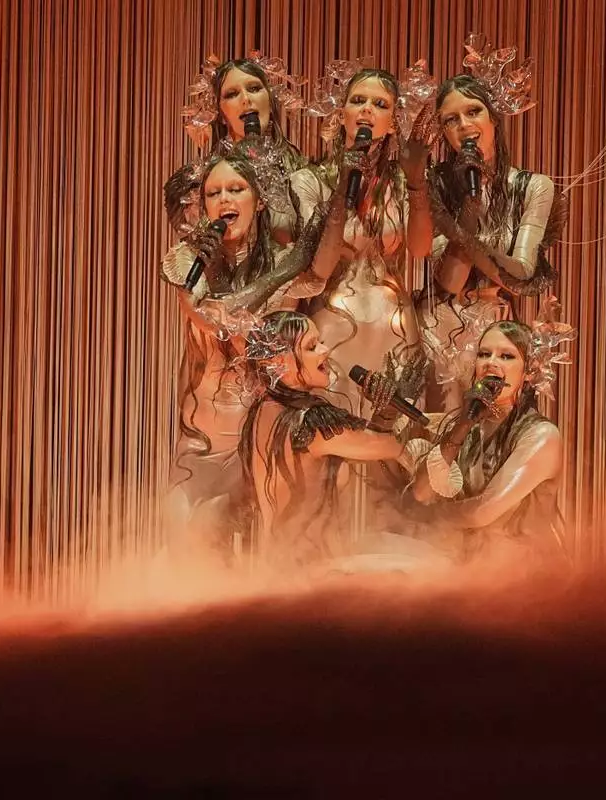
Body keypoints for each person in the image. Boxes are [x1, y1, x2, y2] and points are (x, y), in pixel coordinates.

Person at [157, 147, 341, 560]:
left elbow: (314, 282)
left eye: (236, 189)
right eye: (213, 193)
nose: (224, 199)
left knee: (261, 558)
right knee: (185, 549)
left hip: (262, 437)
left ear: (258, 201)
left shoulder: (280, 261)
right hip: (203, 441)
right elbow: (217, 322)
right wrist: (285, 268)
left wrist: (299, 254)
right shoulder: (188, 261)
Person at [419, 35, 568, 412]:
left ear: (493, 118)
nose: (464, 125)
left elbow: (520, 275)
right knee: (442, 429)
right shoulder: (435, 183)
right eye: (451, 120)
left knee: (494, 425)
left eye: (473, 112)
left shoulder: (533, 187)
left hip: (498, 329)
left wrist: (457, 232)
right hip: (440, 327)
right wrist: (468, 206)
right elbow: (449, 282)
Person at [293, 62, 438, 415]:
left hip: (395, 329)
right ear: (341, 113)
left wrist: (417, 184)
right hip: (330, 328)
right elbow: (319, 268)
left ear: (393, 123)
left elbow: (421, 249)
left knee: (391, 435)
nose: (367, 110)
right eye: (358, 100)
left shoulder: (403, 182)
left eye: (380, 104)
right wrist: (343, 186)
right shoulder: (310, 180)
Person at [237, 311, 426, 571]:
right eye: (311, 346)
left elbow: (366, 445)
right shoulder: (311, 421)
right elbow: (392, 447)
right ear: (278, 362)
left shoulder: (262, 411)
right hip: (310, 573)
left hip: (279, 568)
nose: (325, 351)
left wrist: (387, 411)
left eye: (321, 342)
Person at [409, 318, 573, 562]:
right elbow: (422, 492)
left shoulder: (542, 435)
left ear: (529, 372)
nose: (491, 363)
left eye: (506, 356)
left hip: (530, 571)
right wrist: (462, 426)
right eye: (484, 354)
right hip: (471, 565)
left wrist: (430, 516)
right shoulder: (465, 426)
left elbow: (482, 512)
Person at [181, 52, 308, 242]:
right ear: (220, 113)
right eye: (232, 94)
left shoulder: (302, 171)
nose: (246, 99)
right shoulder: (200, 182)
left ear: (270, 102)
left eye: (254, 88)